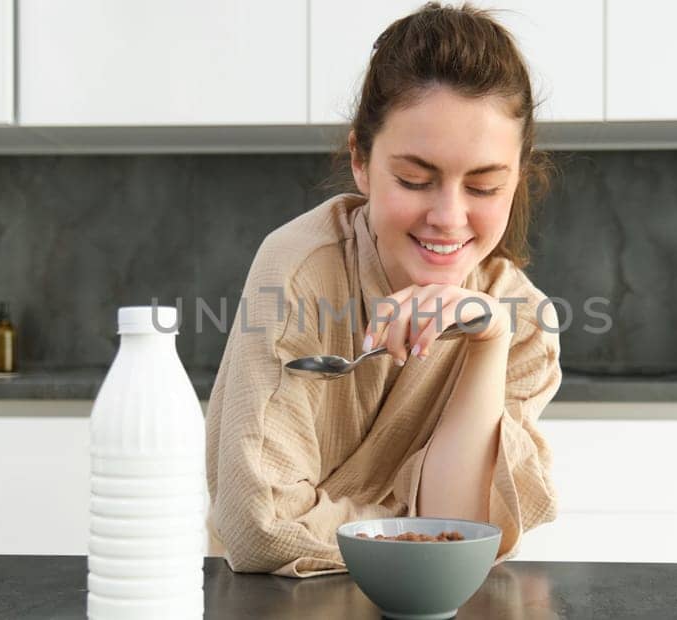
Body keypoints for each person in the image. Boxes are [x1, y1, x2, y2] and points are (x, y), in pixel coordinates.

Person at [205, 2, 561, 578]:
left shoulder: (522, 320)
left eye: (485, 186)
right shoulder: (297, 272)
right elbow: (259, 528)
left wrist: (488, 342)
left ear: (517, 178)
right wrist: (414, 526)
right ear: (361, 162)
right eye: (414, 180)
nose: (449, 217)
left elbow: (464, 533)